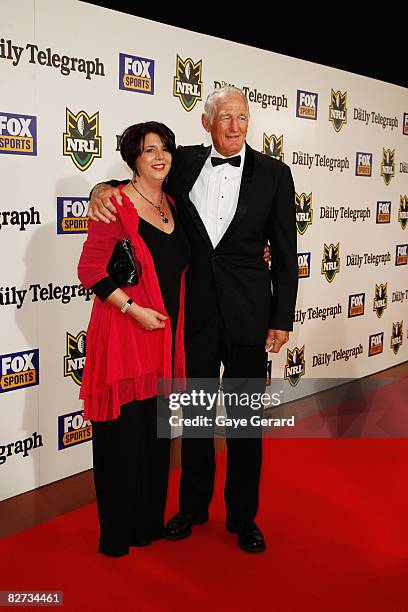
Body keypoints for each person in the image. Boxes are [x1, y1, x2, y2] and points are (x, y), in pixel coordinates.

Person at [88, 86, 298, 553]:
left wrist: (281, 316)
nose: (234, 127)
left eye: (242, 117)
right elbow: (136, 177)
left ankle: (244, 517)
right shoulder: (180, 161)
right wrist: (98, 190)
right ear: (207, 122)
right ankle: (192, 508)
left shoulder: (275, 174)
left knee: (244, 422)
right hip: (194, 314)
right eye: (224, 117)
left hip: (249, 313)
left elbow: (287, 252)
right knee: (198, 419)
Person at [77, 121, 190, 557]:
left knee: (154, 438)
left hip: (162, 337)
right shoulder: (115, 204)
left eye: (164, 148)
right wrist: (133, 309)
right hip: (126, 333)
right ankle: (118, 535)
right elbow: (90, 271)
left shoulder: (173, 203)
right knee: (122, 439)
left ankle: (148, 524)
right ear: (133, 158)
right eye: (148, 151)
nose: (158, 157)